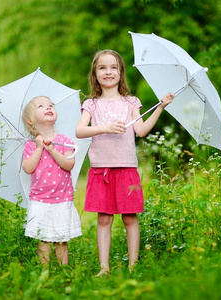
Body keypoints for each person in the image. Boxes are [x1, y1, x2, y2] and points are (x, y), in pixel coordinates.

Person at [76, 49, 174, 276]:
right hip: (101, 170)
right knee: (104, 219)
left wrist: (160, 107)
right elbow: (80, 130)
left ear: (121, 73)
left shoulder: (131, 102)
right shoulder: (91, 104)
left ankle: (133, 266)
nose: (108, 72)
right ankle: (104, 268)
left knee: (130, 218)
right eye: (102, 67)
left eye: (113, 67)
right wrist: (105, 128)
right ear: (95, 74)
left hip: (127, 169)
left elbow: (140, 131)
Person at [22, 95, 82, 266]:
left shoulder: (65, 141)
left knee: (61, 239)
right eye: (41, 106)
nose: (48, 107)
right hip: (39, 200)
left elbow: (68, 165)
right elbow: (28, 168)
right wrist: (40, 147)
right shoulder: (30, 145)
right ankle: (44, 271)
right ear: (30, 121)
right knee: (43, 238)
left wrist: (53, 150)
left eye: (51, 105)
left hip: (62, 198)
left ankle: (63, 270)